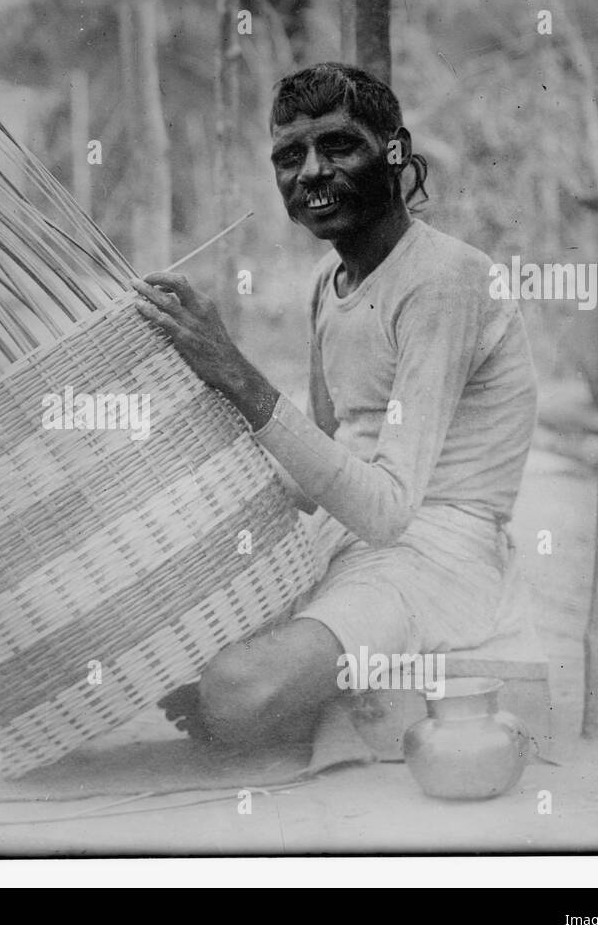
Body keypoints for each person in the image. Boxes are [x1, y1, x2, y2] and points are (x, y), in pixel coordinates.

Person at [132, 63, 538, 747]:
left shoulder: (446, 278)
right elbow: (327, 448)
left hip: (434, 559)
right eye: (290, 157)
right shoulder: (330, 278)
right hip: (344, 541)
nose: (312, 173)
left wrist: (235, 372)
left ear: (396, 151)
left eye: (339, 146)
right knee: (155, 623)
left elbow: (387, 511)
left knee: (236, 690)